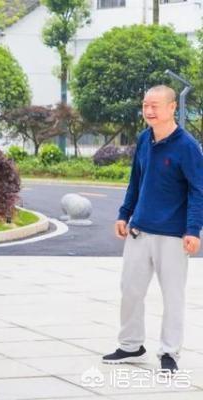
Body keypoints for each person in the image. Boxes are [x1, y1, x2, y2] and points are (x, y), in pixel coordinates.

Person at [102, 85, 203, 373]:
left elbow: (199, 190)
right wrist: (124, 213)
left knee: (173, 295)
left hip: (172, 234)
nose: (148, 111)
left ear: (173, 108)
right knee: (130, 290)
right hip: (139, 230)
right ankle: (131, 345)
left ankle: (170, 352)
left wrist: (193, 229)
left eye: (155, 105)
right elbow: (136, 180)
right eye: (146, 105)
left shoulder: (187, 146)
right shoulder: (144, 139)